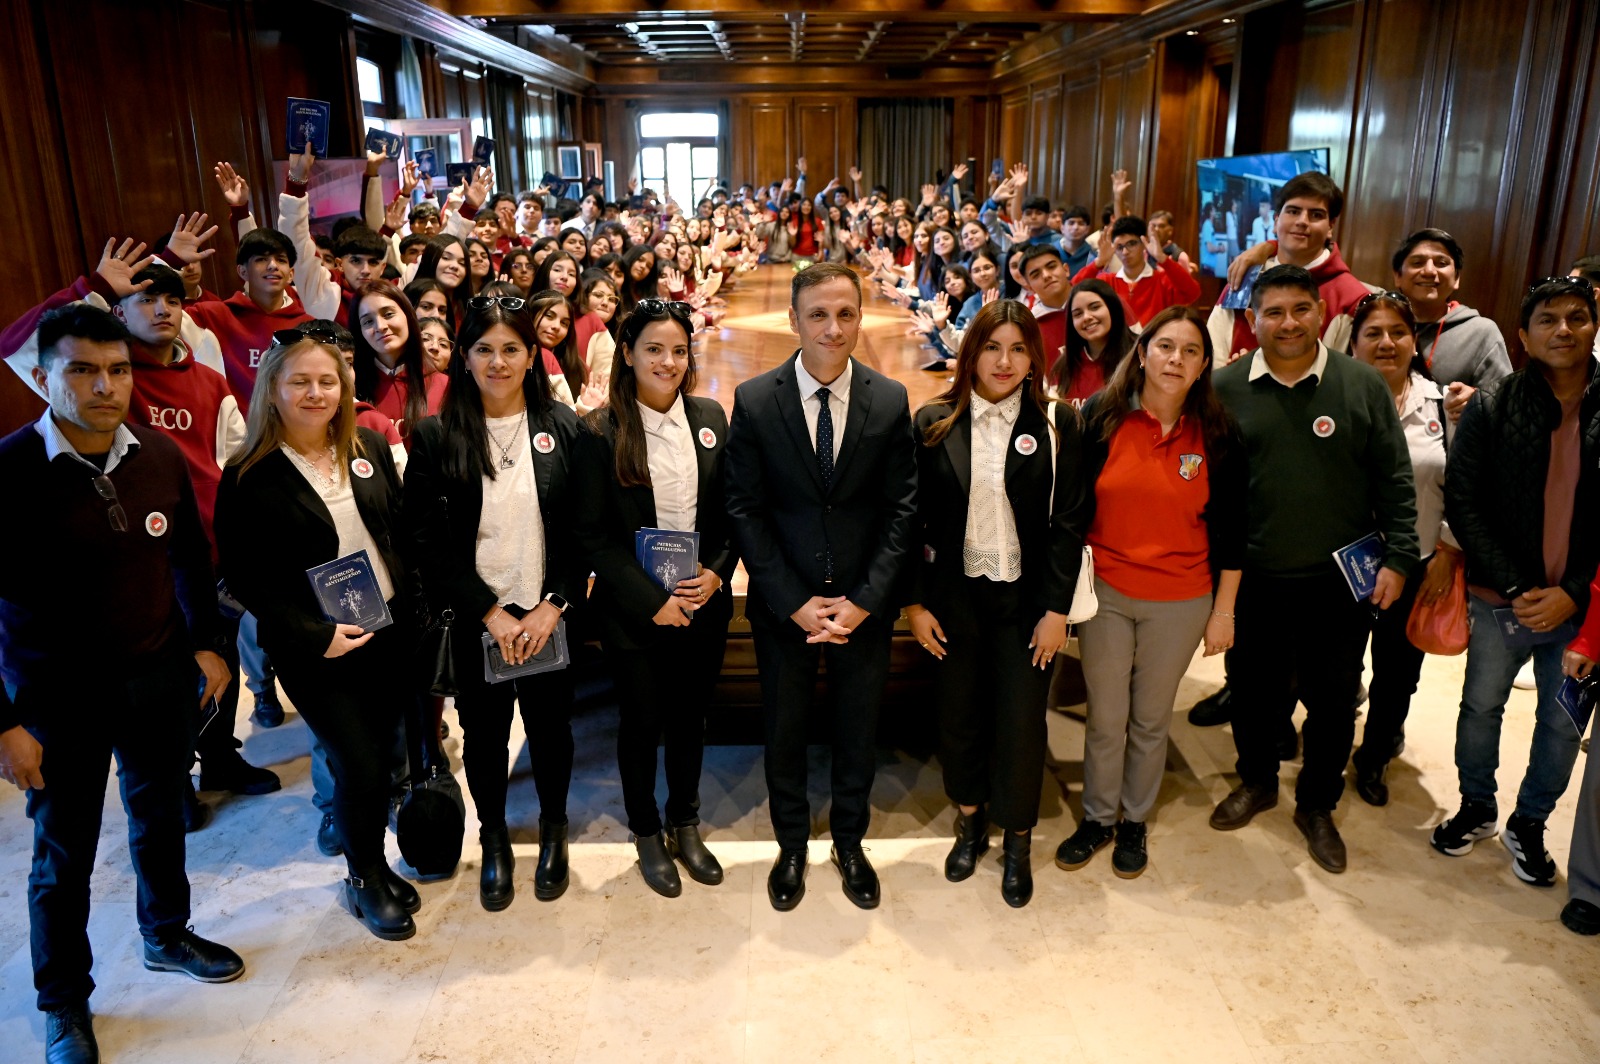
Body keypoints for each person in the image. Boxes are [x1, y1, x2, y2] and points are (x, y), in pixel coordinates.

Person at [0, 305, 245, 1064]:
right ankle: (63, 1002)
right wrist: (3, 723)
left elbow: (190, 559)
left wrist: (205, 645)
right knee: (63, 855)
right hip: (56, 699)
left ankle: (165, 934)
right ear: (43, 376)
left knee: (161, 818)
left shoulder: (158, 455)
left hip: (158, 678)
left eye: (117, 370)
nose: (105, 386)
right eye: (82, 370)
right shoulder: (9, 472)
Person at [1208, 265, 1419, 874]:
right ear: (1252, 321)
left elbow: (1394, 478)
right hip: (1253, 577)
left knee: (1333, 700)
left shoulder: (1362, 384)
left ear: (1322, 314)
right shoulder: (1224, 388)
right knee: (1252, 691)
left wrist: (1400, 557)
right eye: (1273, 312)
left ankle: (1317, 804)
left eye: (1300, 309)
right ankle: (1257, 781)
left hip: (1339, 582)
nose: (1288, 323)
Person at [214, 326, 421, 941]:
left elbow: (396, 530)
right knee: (357, 763)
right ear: (272, 388)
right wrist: (313, 634)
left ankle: (374, 863)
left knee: (382, 758)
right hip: (317, 646)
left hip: (385, 628)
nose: (315, 393)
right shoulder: (249, 472)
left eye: (327, 381)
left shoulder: (366, 446)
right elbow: (244, 577)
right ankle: (364, 878)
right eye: (299, 381)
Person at [725, 262, 918, 912]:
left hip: (862, 605)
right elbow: (744, 509)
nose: (833, 328)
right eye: (818, 315)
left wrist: (865, 600)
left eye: (845, 314)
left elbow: (901, 511)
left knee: (857, 729)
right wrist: (792, 601)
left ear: (860, 318)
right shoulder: (756, 399)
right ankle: (790, 844)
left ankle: (849, 841)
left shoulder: (888, 399)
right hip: (787, 605)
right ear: (794, 320)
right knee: (784, 729)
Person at [402, 299, 588, 910]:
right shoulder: (436, 436)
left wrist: (553, 604)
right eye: (484, 349)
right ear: (464, 357)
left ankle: (555, 830)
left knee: (552, 732)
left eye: (511, 349)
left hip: (547, 617)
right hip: (478, 622)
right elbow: (424, 541)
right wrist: (490, 611)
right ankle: (495, 839)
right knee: (484, 739)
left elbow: (582, 529)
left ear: (532, 356)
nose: (498, 362)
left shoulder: (562, 427)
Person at [905, 300, 1088, 907]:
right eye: (991, 347)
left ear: (1035, 357)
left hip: (1028, 604)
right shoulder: (933, 420)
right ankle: (970, 822)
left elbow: (1069, 524)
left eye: (1017, 349)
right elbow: (910, 519)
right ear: (971, 353)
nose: (1004, 361)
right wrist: (915, 603)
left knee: (1020, 723)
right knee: (958, 716)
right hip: (953, 599)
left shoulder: (1058, 424)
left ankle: (1017, 840)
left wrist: (1057, 612)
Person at [1057, 306, 1245, 879]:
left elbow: (1234, 530)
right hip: (1107, 593)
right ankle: (1097, 817)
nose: (1175, 360)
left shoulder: (1218, 432)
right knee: (1106, 715)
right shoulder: (1101, 416)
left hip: (1182, 599)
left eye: (1190, 351)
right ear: (1142, 353)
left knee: (1151, 718)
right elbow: (1071, 509)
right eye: (1164, 346)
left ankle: (1134, 819)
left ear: (1204, 365)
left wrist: (1224, 612)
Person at [1433, 275, 1600, 886]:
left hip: (1581, 606)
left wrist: (1573, 592)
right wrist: (1519, 586)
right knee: (1481, 706)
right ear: (1523, 337)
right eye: (1547, 319)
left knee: (1562, 722)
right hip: (1500, 598)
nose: (1563, 329)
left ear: (1594, 327)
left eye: (1577, 317)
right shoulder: (1492, 403)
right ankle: (1476, 805)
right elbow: (1464, 500)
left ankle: (1529, 822)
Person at [575, 300, 736, 897]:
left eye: (678, 351)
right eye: (653, 350)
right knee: (642, 721)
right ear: (627, 353)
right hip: (633, 609)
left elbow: (731, 512)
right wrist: (651, 601)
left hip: (701, 601)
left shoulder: (710, 416)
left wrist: (717, 573)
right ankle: (645, 830)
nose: (668, 362)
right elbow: (593, 535)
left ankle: (684, 822)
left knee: (691, 719)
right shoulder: (600, 431)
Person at [1344, 293, 1459, 805]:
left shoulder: (1446, 405)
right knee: (1335, 667)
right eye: (1373, 333)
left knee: (1397, 675)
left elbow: (1466, 486)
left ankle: (1374, 756)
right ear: (1353, 344)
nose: (1386, 342)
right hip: (1343, 565)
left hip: (1416, 564)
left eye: (1398, 332)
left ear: (1416, 342)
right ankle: (1330, 740)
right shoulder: (1332, 399)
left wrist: (1447, 552)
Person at [1207, 172, 1374, 361]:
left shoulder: (1352, 299)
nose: (1302, 221)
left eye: (1316, 215)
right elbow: (1211, 357)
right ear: (1276, 220)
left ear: (1330, 226)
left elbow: (1348, 373)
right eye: (1293, 211)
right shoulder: (1244, 278)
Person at [1390, 228, 1512, 422]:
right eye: (1417, 263)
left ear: (1456, 278)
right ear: (1398, 276)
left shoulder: (1481, 332)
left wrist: (1477, 401)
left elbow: (1507, 405)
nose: (1429, 271)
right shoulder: (1379, 326)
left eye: (1441, 263)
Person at [1072, 215, 1202, 328]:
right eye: (1119, 247)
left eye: (1131, 244)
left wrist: (1163, 259)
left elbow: (1193, 293)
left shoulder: (1162, 280)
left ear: (1144, 243)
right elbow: (1073, 290)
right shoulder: (1107, 281)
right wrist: (1098, 263)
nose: (1125, 252)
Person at [1049, 278, 1138, 404]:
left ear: (1112, 308)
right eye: (1078, 314)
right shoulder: (1064, 365)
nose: (1086, 317)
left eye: (1095, 307)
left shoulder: (1139, 356)